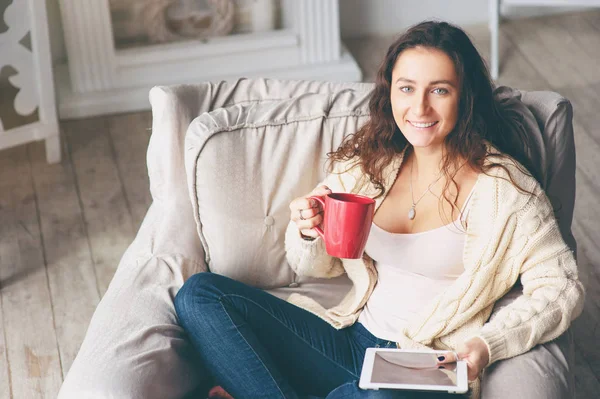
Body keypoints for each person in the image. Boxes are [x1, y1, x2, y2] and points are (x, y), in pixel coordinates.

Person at [174, 20, 584, 398]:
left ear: (466, 97)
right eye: (406, 88)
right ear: (390, 92)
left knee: (375, 395)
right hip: (351, 339)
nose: (419, 108)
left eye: (439, 90)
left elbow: (561, 287)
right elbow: (313, 267)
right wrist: (306, 229)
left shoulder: (505, 189)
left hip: (425, 364)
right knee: (199, 296)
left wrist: (486, 344)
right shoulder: (371, 164)